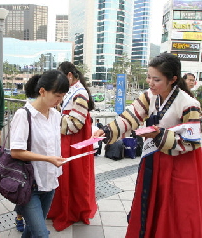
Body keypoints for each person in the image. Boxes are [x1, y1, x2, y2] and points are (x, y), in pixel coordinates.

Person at [94, 53, 202, 238]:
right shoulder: (149, 97)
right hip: (153, 160)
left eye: (156, 79)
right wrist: (107, 130)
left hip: (178, 165)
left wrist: (159, 134)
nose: (150, 82)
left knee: (174, 209)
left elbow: (192, 142)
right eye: (149, 77)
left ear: (173, 79)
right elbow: (130, 117)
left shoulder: (189, 104)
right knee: (149, 203)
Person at [10, 70, 69, 238]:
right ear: (42, 91)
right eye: (57, 96)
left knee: (32, 230)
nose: (60, 100)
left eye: (62, 96)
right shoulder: (24, 115)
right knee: (41, 234)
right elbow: (16, 151)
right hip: (29, 185)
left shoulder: (56, 115)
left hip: (49, 182)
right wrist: (48, 159)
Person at [47, 61, 97, 231]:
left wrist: (53, 118)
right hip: (69, 140)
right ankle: (65, 208)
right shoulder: (74, 91)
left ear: (69, 76)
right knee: (67, 177)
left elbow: (75, 124)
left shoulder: (80, 93)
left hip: (74, 142)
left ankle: (71, 210)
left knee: (73, 177)